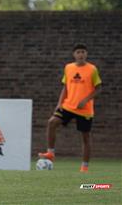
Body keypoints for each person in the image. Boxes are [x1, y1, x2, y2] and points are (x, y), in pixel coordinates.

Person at [39, 43, 102, 172]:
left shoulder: (92, 69)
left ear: (86, 54)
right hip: (68, 106)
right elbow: (65, 87)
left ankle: (84, 166)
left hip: (85, 110)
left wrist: (85, 100)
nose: (81, 54)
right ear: (74, 55)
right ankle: (50, 153)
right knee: (52, 122)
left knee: (85, 137)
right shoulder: (68, 67)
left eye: (83, 52)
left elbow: (98, 89)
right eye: (78, 52)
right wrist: (59, 103)